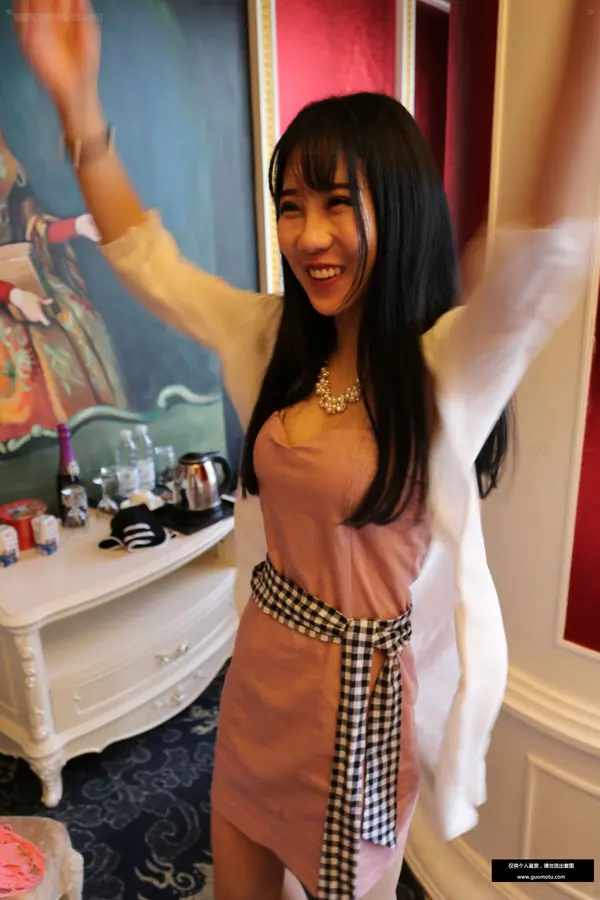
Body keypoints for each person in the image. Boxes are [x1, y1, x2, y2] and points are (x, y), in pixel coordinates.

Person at [14, 1, 600, 898]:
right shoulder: (269, 339)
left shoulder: (445, 367)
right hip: (263, 676)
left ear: (396, 207)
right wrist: (78, 105)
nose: (308, 237)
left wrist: (586, 36)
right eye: (291, 207)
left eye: (336, 204)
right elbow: (146, 261)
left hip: (363, 707)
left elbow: (537, 262)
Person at [0, 128, 128, 443]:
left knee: (71, 318)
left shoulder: (9, 166)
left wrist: (76, 226)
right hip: (9, 301)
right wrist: (13, 295)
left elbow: (32, 228)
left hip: (27, 278)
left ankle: (96, 444)